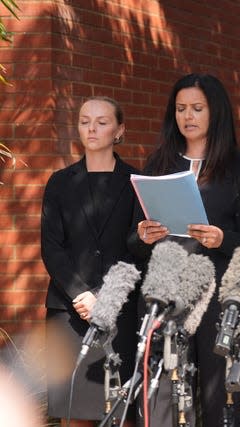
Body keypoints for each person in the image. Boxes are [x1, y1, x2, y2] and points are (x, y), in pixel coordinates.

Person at [130, 73, 240, 426]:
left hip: (219, 297)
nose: (187, 116)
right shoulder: (159, 164)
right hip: (166, 293)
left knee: (220, 396)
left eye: (196, 108)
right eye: (180, 109)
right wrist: (144, 235)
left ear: (216, 112)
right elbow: (131, 242)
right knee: (161, 395)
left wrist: (223, 239)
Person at [41, 96, 139, 427]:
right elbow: (52, 247)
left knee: (122, 411)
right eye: (85, 121)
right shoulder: (59, 183)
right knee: (74, 412)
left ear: (120, 130)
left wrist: (105, 297)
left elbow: (138, 248)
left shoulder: (137, 183)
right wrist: (82, 295)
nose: (92, 128)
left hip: (121, 312)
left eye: (102, 121)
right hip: (70, 312)